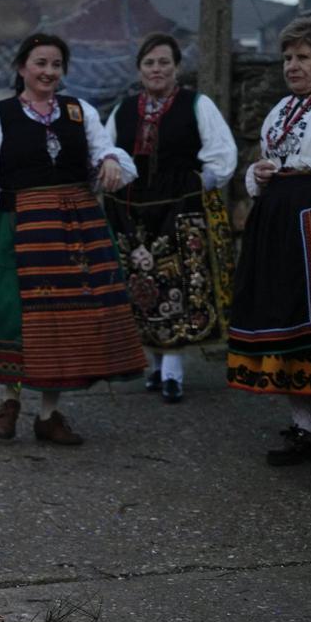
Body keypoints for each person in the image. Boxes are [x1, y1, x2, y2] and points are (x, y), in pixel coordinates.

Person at [0, 33, 142, 444]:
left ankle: (49, 414)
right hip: (17, 225)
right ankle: (10, 400)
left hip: (74, 230)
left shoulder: (79, 112)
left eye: (56, 65)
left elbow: (101, 151)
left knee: (63, 319)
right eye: (41, 63)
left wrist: (109, 161)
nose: (49, 72)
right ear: (22, 67)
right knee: (16, 316)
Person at [226, 16, 311, 476]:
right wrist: (258, 174)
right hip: (277, 223)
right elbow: (263, 164)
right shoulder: (280, 109)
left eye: (303, 57)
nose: (292, 65)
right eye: (288, 57)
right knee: (283, 323)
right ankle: (305, 428)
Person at [104, 33, 238, 404]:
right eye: (149, 63)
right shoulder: (125, 109)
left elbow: (221, 154)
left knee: (175, 278)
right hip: (134, 208)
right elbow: (106, 151)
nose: (157, 69)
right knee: (142, 281)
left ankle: (174, 372)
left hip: (182, 206)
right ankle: (156, 365)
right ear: (139, 69)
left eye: (164, 62)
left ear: (177, 67)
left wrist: (200, 184)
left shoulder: (198, 104)